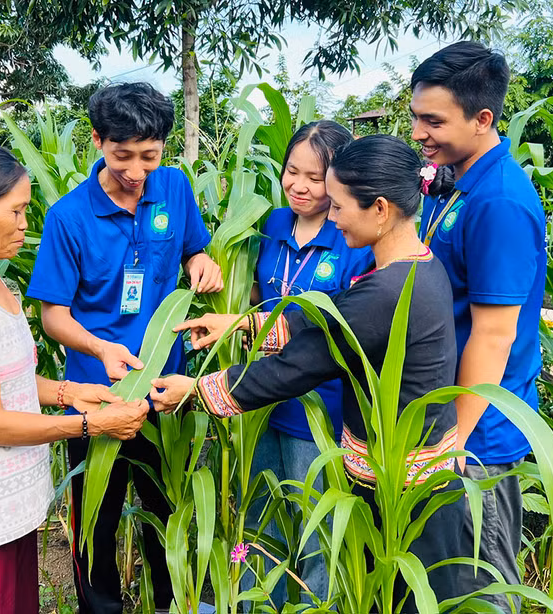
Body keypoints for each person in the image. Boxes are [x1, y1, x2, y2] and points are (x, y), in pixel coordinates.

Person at [150, 135, 463, 611]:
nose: (331, 217)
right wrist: (239, 322)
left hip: (399, 492)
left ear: (379, 209)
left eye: (337, 206)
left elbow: (300, 365)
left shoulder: (385, 293)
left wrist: (196, 390)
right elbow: (328, 315)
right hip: (417, 477)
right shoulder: (416, 267)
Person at [0, 143, 150, 614]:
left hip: (11, 508)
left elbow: (6, 378)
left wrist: (69, 392)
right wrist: (89, 425)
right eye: (16, 212)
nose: (23, 225)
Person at [25, 82, 223, 614]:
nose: (137, 171)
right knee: (97, 519)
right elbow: (53, 317)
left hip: (165, 392)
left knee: (165, 507)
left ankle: (167, 603)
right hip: (94, 395)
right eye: (122, 156)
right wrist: (101, 346)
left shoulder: (175, 188)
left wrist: (200, 261)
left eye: (149, 156)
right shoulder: (69, 217)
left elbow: (193, 249)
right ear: (97, 141)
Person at [410, 41, 547, 611]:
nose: (419, 132)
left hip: (476, 443)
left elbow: (494, 334)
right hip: (445, 423)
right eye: (415, 116)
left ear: (483, 119)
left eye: (433, 121)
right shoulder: (455, 181)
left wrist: (455, 440)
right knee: (437, 586)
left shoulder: (499, 203)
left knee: (476, 590)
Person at [238, 120, 372, 604]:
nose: (299, 185)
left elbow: (342, 327)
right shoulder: (272, 224)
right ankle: (257, 600)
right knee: (257, 518)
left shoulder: (351, 237)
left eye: (315, 178)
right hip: (261, 400)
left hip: (319, 410)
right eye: (292, 172)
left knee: (317, 525)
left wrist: (244, 324)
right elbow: (255, 292)